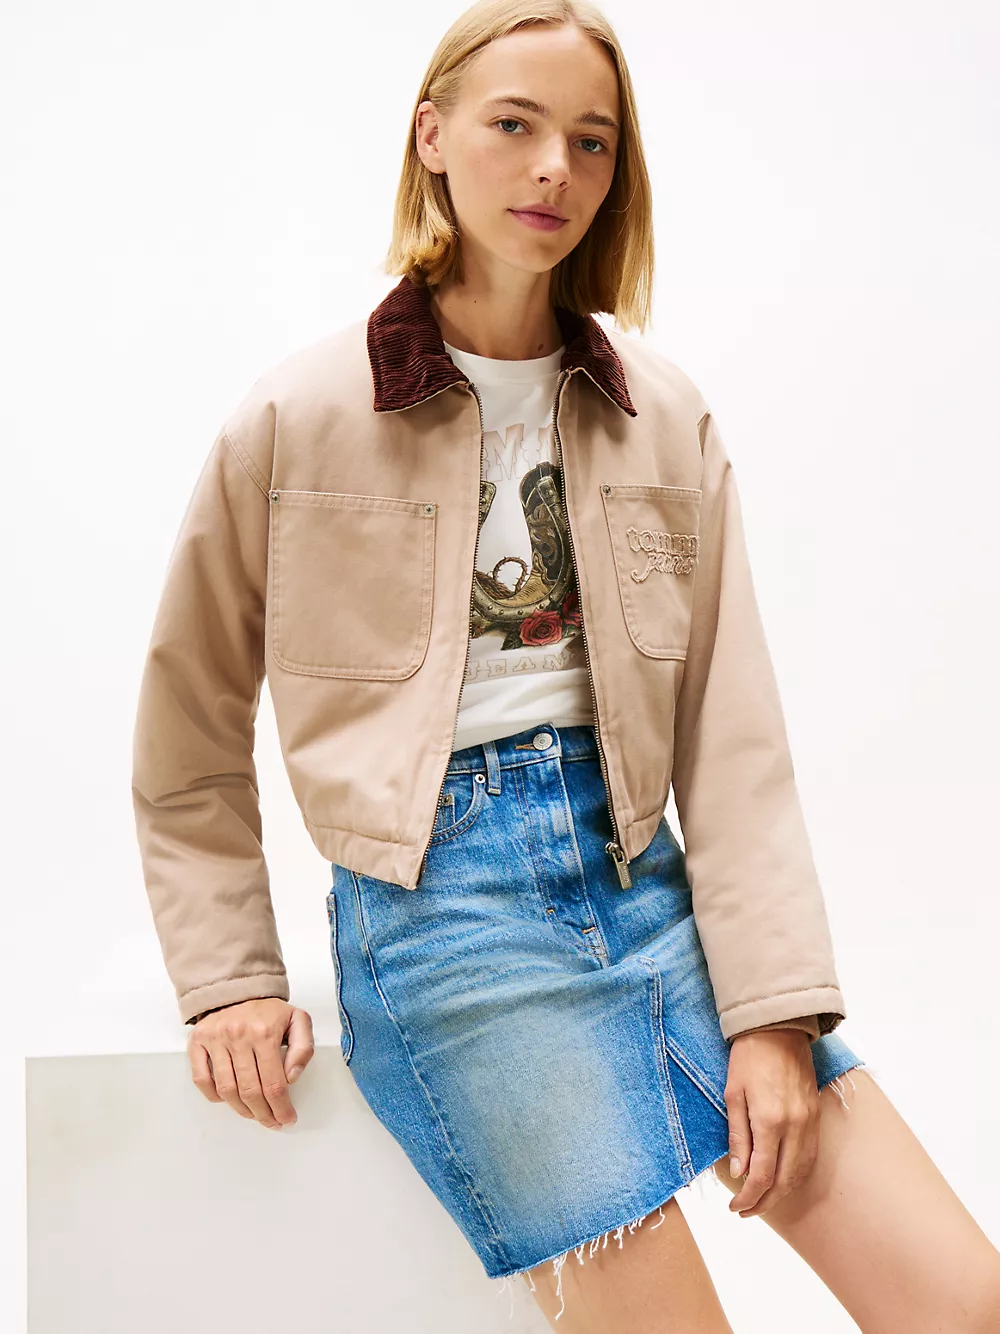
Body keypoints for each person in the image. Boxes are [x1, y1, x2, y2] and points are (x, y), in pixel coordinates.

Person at [130, 1, 1000, 1329]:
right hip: (446, 924)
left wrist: (772, 1013)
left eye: (592, 142)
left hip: (646, 881)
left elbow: (731, 737)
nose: (554, 169)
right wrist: (230, 975)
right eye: (515, 125)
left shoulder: (664, 414)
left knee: (962, 1300)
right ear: (432, 136)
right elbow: (188, 722)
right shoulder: (300, 415)